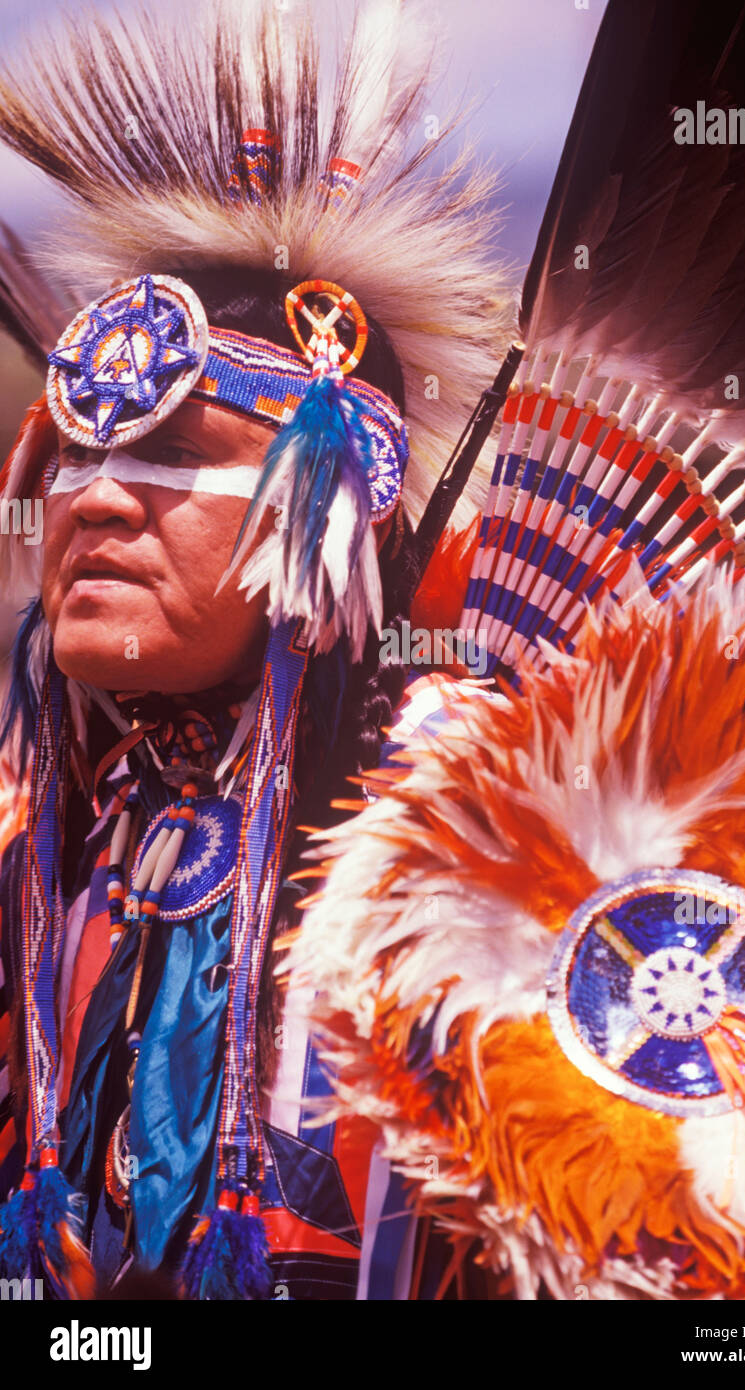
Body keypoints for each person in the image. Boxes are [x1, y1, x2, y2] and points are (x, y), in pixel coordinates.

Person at [0, 0, 509, 1299]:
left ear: (333, 504)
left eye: (173, 452)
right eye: (80, 454)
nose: (97, 499)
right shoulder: (39, 817)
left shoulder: (490, 836)